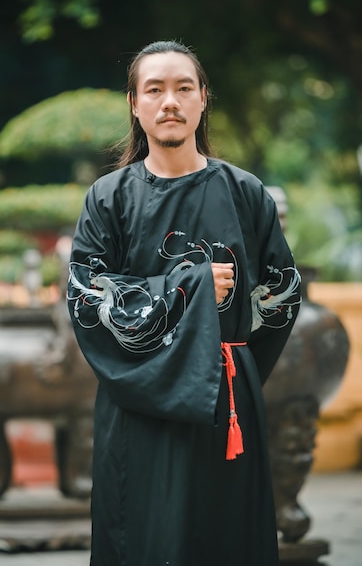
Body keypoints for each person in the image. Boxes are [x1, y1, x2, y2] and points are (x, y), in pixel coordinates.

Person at [67, 40, 301, 566]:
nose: (169, 101)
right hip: (138, 406)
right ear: (134, 103)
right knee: (144, 540)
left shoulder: (246, 193)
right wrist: (189, 287)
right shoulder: (108, 198)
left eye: (183, 88)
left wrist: (229, 363)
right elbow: (86, 296)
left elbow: (282, 294)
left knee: (225, 539)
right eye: (154, 89)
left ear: (202, 100)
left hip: (226, 401)